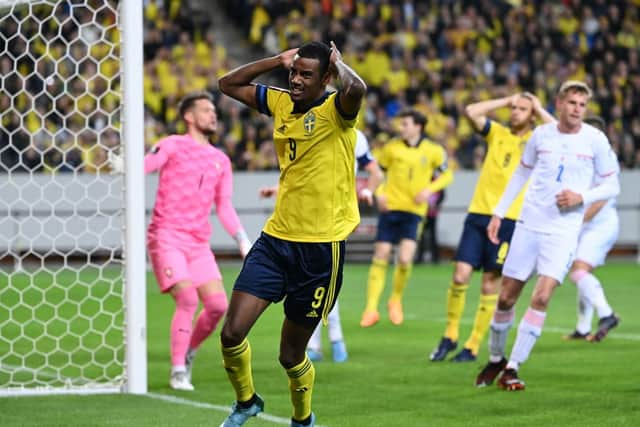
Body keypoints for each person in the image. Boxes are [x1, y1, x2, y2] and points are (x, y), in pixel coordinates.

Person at [216, 41, 366, 427]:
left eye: (306, 75)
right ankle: (247, 401)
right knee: (232, 333)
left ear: (326, 78)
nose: (296, 80)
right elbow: (227, 84)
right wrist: (276, 61)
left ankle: (303, 419)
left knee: (290, 354)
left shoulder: (337, 110)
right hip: (276, 240)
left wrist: (340, 63)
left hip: (320, 250)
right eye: (293, 73)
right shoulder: (281, 102)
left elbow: (356, 90)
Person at [475, 81, 620, 391]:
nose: (577, 109)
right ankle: (496, 357)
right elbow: (521, 174)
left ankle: (513, 367)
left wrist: (581, 196)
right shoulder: (541, 135)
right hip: (529, 224)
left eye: (582, 104)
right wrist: (499, 212)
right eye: (572, 103)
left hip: (563, 231)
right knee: (505, 297)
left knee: (541, 296)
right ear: (559, 103)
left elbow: (612, 185)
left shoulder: (595, 140)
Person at [109, 91, 252, 391]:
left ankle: (188, 351)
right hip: (167, 236)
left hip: (198, 244)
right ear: (189, 116)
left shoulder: (220, 160)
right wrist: (126, 166)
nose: (213, 115)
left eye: (214, 110)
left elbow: (223, 206)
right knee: (187, 298)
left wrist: (242, 239)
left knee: (216, 305)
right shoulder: (172, 145)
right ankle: (177, 371)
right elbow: (148, 164)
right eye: (205, 110)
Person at [430, 93, 555, 362]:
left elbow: (560, 132)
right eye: (514, 108)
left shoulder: (537, 140)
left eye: (522, 109)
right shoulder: (497, 132)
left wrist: (538, 107)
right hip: (478, 214)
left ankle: (473, 345)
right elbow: (471, 111)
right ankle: (450, 335)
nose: (516, 112)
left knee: (490, 283)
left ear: (532, 115)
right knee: (460, 275)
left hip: (510, 219)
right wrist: (507, 99)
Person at [259, 129, 383, 364]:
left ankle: (331, 342)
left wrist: (367, 190)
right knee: (314, 282)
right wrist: (277, 190)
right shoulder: (310, 130)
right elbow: (303, 177)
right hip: (308, 217)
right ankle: (324, 343)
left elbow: (376, 172)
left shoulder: (353, 136)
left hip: (335, 217)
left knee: (320, 282)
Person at [360, 108, 454, 328]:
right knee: (381, 254)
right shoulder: (391, 148)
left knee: (404, 258)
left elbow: (447, 174)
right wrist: (379, 194)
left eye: (405, 124)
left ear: (418, 127)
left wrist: (430, 190)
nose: (401, 128)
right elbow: (378, 173)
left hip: (414, 211)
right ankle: (371, 308)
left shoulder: (433, 151)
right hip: (390, 208)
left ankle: (395, 300)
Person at [564, 115, 620, 342]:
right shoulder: (583, 156)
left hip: (600, 224)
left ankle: (607, 314)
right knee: (582, 273)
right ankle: (583, 327)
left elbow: (601, 199)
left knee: (578, 270)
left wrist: (578, 221)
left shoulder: (606, 158)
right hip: (587, 224)